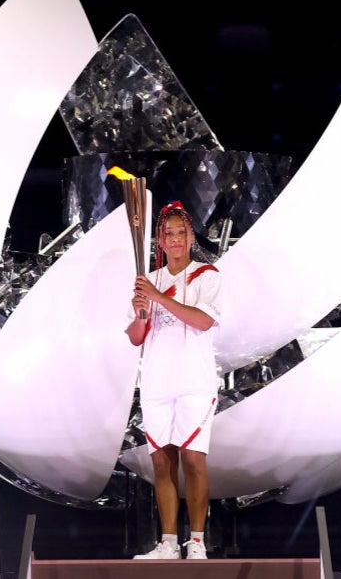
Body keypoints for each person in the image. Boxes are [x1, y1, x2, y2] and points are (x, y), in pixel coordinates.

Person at [125, 200, 222, 561]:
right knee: (162, 463)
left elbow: (203, 321)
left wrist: (156, 298)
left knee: (193, 459)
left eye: (182, 232)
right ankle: (167, 543)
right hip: (157, 383)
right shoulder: (149, 281)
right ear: (160, 240)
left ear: (191, 237)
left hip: (194, 381)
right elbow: (136, 337)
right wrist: (141, 313)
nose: (176, 238)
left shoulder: (206, 275)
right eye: (170, 233)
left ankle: (196, 541)